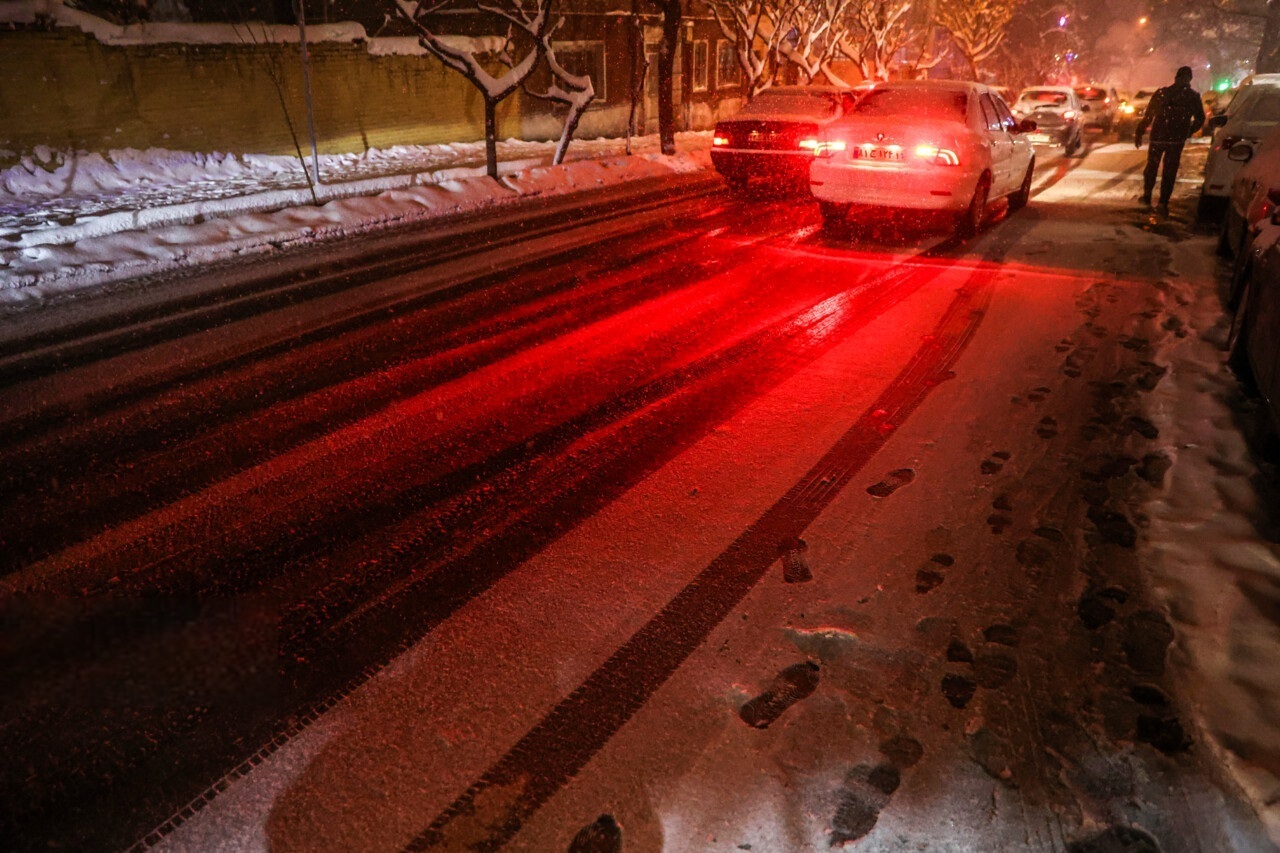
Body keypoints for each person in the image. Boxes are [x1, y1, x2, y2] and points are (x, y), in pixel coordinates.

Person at [1135, 66, 1205, 215]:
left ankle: (1148, 196)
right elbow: (1200, 118)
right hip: (1175, 139)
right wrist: (1188, 131)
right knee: (1169, 170)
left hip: (1159, 137)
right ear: (1189, 79)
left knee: (1152, 167)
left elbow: (1149, 116)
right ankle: (1163, 202)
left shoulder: (1162, 93)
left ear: (1176, 78)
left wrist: (1140, 131)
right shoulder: (1192, 97)